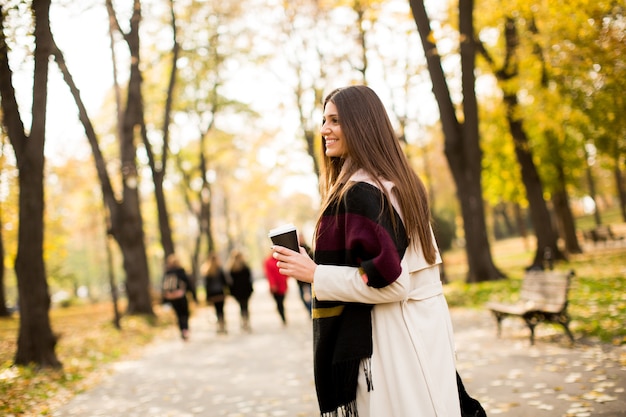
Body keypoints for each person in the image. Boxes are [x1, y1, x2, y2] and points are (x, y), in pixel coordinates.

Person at [271, 85, 462, 416]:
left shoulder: (362, 191)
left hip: (394, 342)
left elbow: (393, 282)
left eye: (335, 121)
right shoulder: (399, 182)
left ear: (360, 125)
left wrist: (315, 273)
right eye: (324, 120)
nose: (324, 130)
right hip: (423, 336)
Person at [161, 254, 197, 340]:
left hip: (172, 298)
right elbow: (188, 284)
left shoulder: (167, 273)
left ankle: (182, 330)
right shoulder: (181, 272)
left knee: (178, 315)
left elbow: (163, 287)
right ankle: (185, 329)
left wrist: (164, 300)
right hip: (181, 297)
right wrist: (193, 296)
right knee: (185, 314)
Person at [225, 249, 254, 332]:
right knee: (246, 306)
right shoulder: (245, 266)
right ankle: (246, 321)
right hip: (245, 290)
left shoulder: (231, 268)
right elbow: (249, 279)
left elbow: (230, 282)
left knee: (241, 306)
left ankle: (244, 322)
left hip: (237, 291)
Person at [201, 253, 230, 334]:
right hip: (220, 293)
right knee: (222, 310)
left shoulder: (207, 271)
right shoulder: (219, 269)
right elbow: (225, 282)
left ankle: (219, 327)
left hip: (213, 295)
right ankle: (223, 325)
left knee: (217, 311)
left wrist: (207, 296)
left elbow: (206, 286)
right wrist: (227, 292)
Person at [263, 250, 288, 325]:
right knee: (279, 303)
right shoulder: (268, 261)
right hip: (275, 286)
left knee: (282, 302)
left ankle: (283, 315)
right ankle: (283, 317)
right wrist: (272, 284)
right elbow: (269, 275)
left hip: (282, 284)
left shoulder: (281, 260)